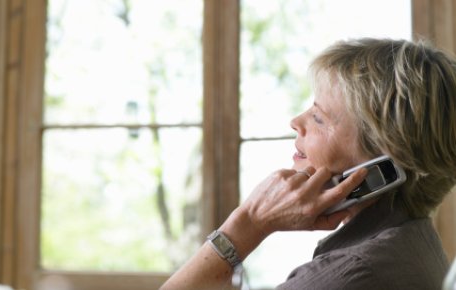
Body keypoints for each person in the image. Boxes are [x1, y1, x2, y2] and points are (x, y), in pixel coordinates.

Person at [160, 38, 456, 290]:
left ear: (381, 167)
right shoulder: (416, 241)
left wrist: (250, 222)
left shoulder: (349, 273)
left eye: (318, 117)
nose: (296, 122)